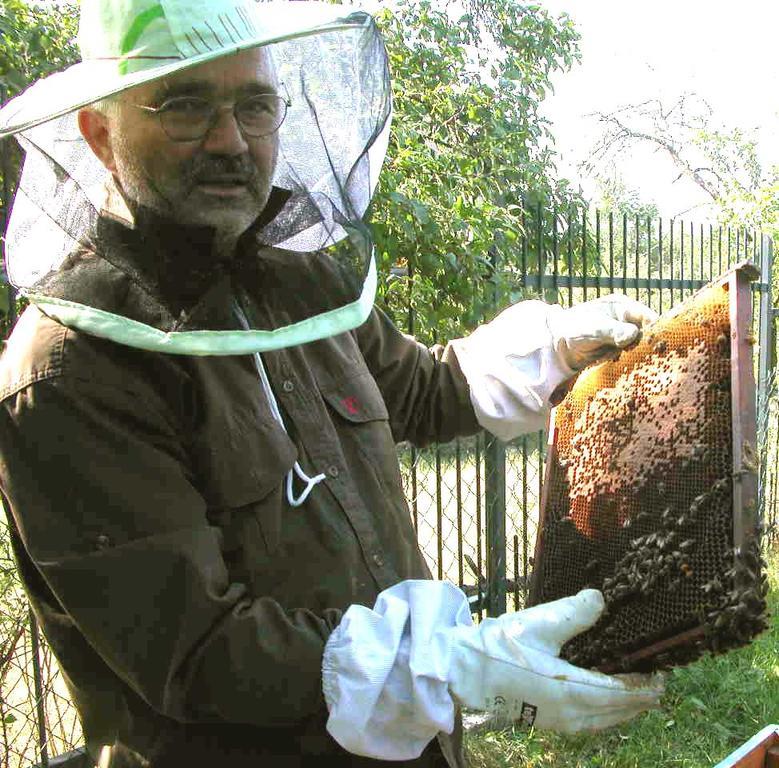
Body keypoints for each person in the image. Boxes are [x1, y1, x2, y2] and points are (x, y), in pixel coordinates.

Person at [0, 1, 663, 766]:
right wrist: (449, 664)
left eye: (255, 105)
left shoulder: (299, 281)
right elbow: (198, 650)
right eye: (185, 107)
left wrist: (556, 348)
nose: (231, 141)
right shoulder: (69, 369)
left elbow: (422, 389)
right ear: (100, 133)